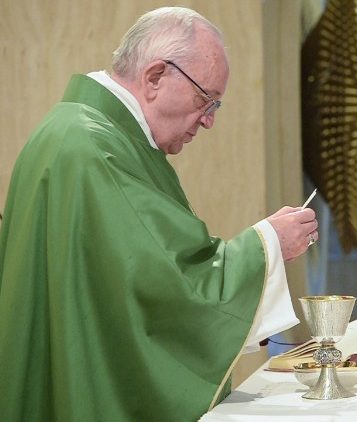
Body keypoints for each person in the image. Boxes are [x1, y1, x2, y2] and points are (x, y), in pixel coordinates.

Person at [0, 7, 318, 421]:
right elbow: (165, 289)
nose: (208, 121)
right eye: (206, 100)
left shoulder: (83, 131)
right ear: (154, 77)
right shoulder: (93, 149)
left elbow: (141, 272)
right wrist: (267, 244)